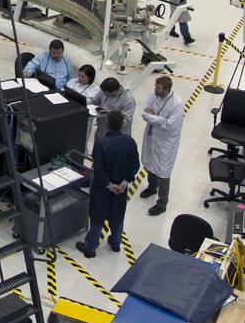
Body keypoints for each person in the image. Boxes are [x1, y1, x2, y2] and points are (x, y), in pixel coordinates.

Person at [75, 109, 140, 258]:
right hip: (121, 190)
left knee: (98, 216)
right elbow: (135, 165)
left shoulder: (102, 143)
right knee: (117, 216)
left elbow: (98, 170)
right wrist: (123, 183)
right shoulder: (130, 142)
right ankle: (116, 243)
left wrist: (110, 185)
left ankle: (91, 247)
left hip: (102, 189)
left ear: (108, 124)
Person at [138, 74, 184, 216]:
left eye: (158, 88)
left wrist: (153, 117)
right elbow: (144, 112)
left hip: (166, 142)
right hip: (153, 135)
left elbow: (170, 125)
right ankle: (152, 188)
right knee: (150, 163)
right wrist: (160, 119)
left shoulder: (177, 104)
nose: (155, 90)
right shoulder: (154, 95)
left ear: (166, 89)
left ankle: (162, 203)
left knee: (163, 171)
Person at [95, 77, 136, 142]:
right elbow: (95, 101)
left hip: (118, 136)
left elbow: (126, 121)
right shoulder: (103, 91)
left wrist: (111, 113)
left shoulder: (128, 100)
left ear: (114, 92)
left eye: (106, 94)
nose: (104, 95)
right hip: (102, 131)